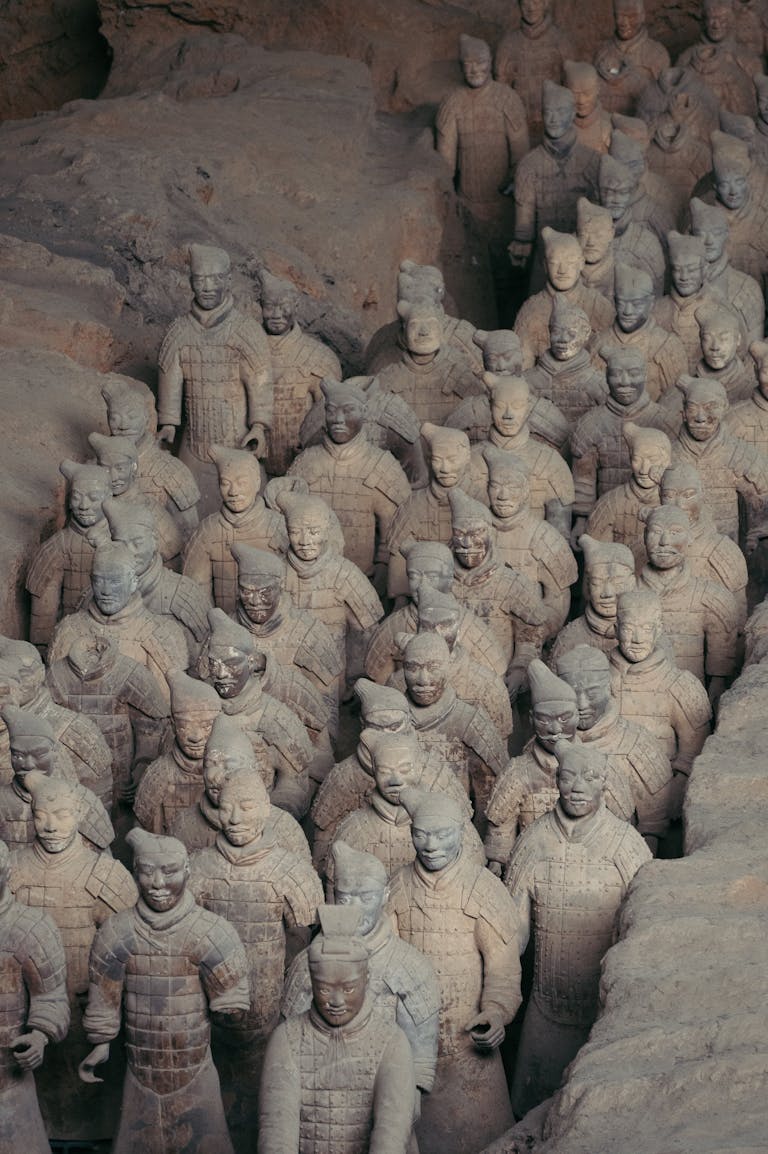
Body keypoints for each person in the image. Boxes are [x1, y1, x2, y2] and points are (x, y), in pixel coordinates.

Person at [79, 828, 251, 1154]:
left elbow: (233, 1002)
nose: (157, 883)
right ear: (134, 873)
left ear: (188, 871)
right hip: (138, 1070)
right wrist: (100, 1045)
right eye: (146, 871)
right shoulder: (117, 931)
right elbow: (104, 995)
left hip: (195, 1070)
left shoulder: (210, 931)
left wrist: (232, 1007)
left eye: (169, 871)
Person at [505, 739, 651, 1115]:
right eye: (569, 777)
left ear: (606, 783)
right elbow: (512, 935)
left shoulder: (626, 846)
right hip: (545, 1009)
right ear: (555, 780)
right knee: (530, 1114)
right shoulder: (533, 841)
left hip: (604, 1014)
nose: (578, 787)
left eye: (591, 778)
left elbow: (646, 933)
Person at [259, 903, 416, 1154]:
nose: (336, 1001)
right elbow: (277, 1132)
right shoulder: (287, 1039)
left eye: (349, 988)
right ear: (311, 981)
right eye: (323, 988)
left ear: (367, 979)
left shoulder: (391, 1041)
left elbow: (391, 1134)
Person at [157, 243, 273, 514]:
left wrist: (259, 425)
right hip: (193, 446)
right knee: (184, 512)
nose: (207, 287)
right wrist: (168, 423)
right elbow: (170, 380)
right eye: (200, 279)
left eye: (215, 279)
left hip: (238, 444)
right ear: (190, 283)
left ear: (228, 281)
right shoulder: (179, 331)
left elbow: (261, 383)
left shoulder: (246, 331)